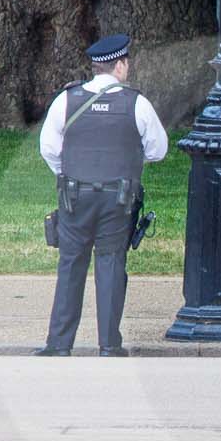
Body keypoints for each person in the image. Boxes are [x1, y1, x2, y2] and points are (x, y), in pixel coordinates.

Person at [35, 34, 168, 358]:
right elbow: (158, 150)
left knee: (70, 265)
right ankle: (109, 344)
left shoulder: (67, 100)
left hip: (74, 196)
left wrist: (69, 176)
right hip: (118, 197)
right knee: (110, 264)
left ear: (96, 67)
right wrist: (127, 159)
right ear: (120, 65)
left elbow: (49, 150)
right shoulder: (137, 103)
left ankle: (59, 344)